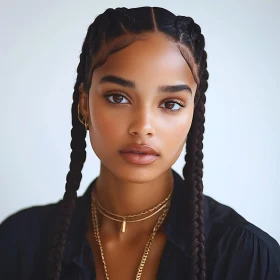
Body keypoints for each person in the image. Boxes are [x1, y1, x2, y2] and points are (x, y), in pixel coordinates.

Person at [0, 6, 279, 280]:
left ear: (194, 112)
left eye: (170, 103)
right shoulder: (18, 242)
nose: (143, 127)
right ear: (84, 105)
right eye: (118, 97)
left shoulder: (246, 256)